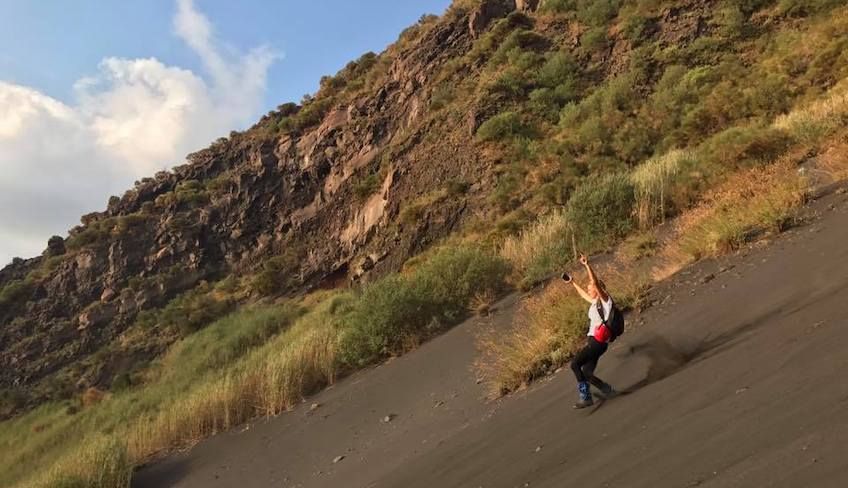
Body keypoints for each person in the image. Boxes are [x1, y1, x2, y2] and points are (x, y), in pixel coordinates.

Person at [562, 253, 617, 409]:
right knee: (586, 373)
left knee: (574, 364)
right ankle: (608, 390)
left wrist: (587, 265)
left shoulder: (606, 301)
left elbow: (595, 283)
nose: (588, 288)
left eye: (590, 287)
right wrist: (573, 283)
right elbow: (583, 294)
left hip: (597, 342)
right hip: (596, 342)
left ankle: (585, 397)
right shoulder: (595, 303)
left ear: (598, 289)